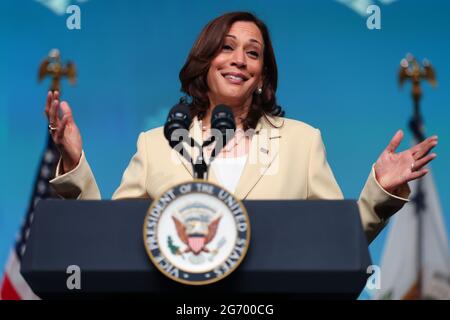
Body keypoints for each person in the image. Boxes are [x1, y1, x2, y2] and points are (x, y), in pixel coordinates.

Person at [45, 12, 438, 244]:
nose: (239, 60)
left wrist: (379, 193)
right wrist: (74, 162)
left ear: (263, 75)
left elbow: (335, 241)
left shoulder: (302, 142)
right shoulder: (156, 144)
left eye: (253, 53)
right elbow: (111, 241)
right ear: (205, 61)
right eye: (227, 47)